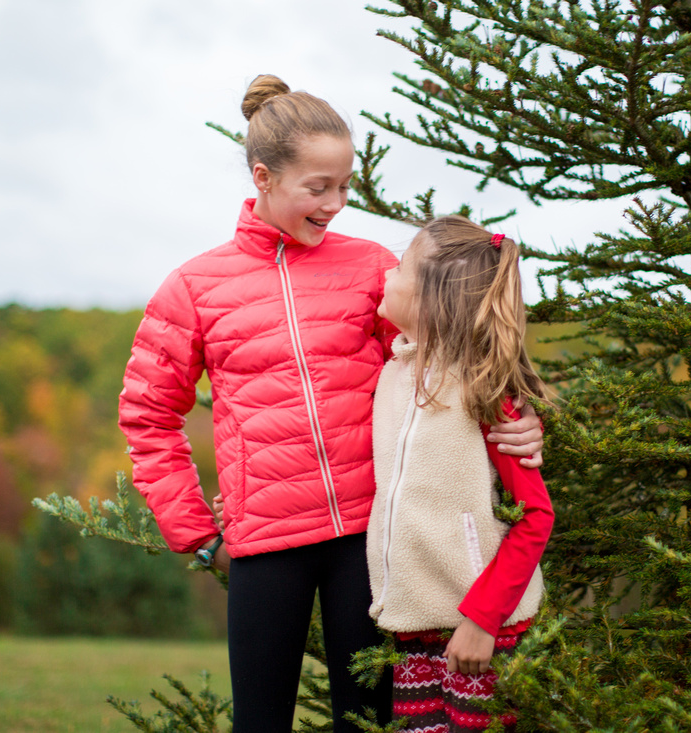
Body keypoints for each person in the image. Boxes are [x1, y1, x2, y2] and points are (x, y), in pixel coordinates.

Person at [117, 74, 544, 733]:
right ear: (264, 177)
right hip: (266, 544)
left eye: (345, 185)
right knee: (260, 721)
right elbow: (149, 415)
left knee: (367, 720)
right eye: (318, 188)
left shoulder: (372, 268)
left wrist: (520, 422)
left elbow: (459, 360)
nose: (337, 202)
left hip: (367, 544)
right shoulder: (194, 288)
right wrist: (200, 532)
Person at [365, 216, 554, 733]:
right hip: (414, 625)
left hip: (481, 630)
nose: (386, 275)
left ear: (433, 297)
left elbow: (536, 517)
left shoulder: (484, 390)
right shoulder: (394, 371)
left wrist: (482, 618)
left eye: (400, 267)